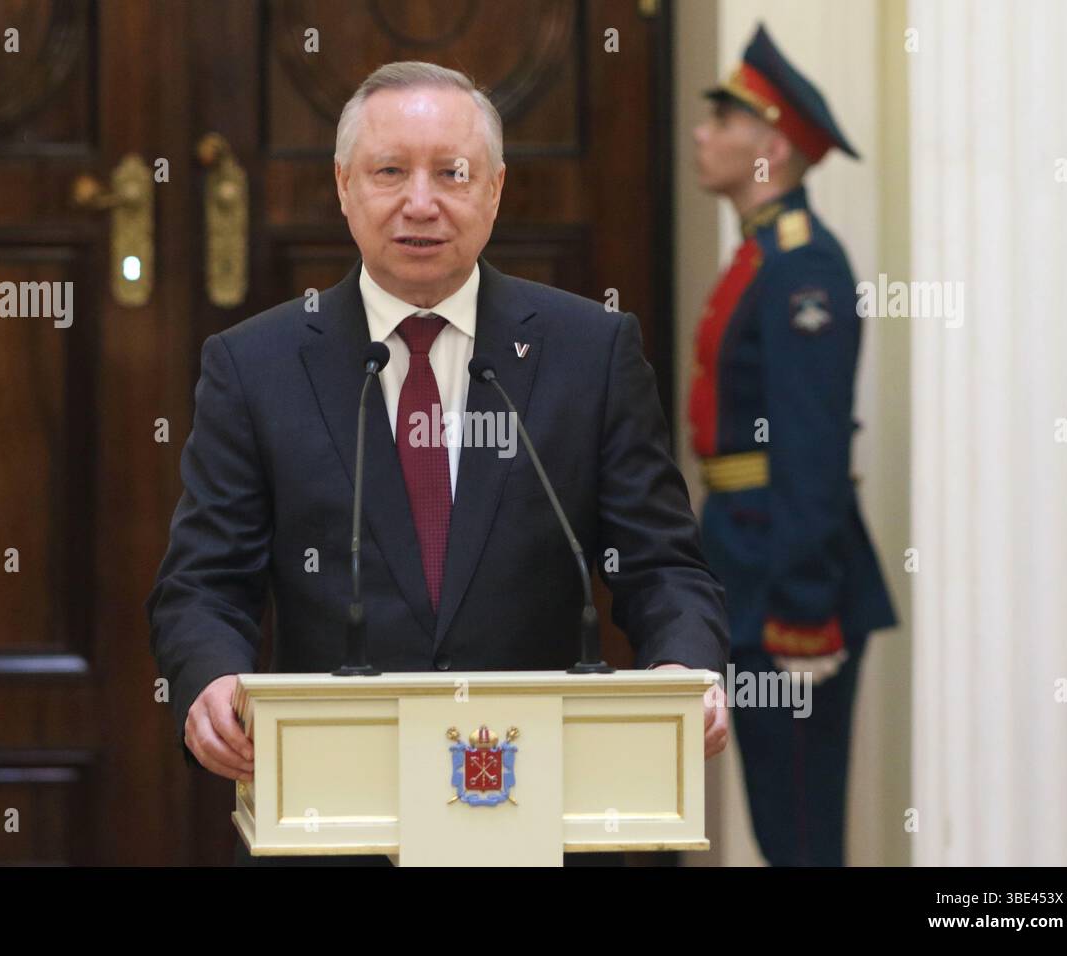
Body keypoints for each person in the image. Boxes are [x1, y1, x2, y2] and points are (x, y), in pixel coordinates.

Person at [147, 61, 730, 866]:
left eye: (452, 174)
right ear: (345, 186)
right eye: (390, 172)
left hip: (543, 810)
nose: (420, 202)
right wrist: (208, 680)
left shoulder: (589, 352)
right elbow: (203, 583)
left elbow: (662, 564)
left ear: (494, 189)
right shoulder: (256, 365)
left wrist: (684, 666)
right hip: (334, 814)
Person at [689, 25, 897, 866]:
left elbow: (809, 447)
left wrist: (805, 610)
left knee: (801, 830)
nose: (703, 134)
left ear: (771, 145)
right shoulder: (763, 256)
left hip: (789, 574)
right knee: (781, 822)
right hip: (750, 555)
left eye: (723, 121)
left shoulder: (803, 268)